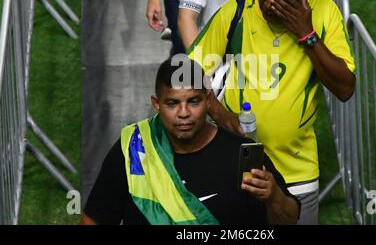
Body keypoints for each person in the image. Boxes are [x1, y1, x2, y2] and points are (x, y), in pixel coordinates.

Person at [187, 0, 356, 224]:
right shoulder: (236, 13)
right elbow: (186, 73)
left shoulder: (324, 13)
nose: (268, 2)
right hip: (236, 169)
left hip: (297, 173)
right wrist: (218, 113)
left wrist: (307, 34)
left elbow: (345, 88)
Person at [80, 57, 299, 225]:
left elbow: (290, 219)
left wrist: (274, 197)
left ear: (208, 100)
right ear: (157, 104)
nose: (184, 113)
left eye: (193, 101)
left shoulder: (239, 153)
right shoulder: (134, 148)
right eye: (173, 103)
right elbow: (94, 219)